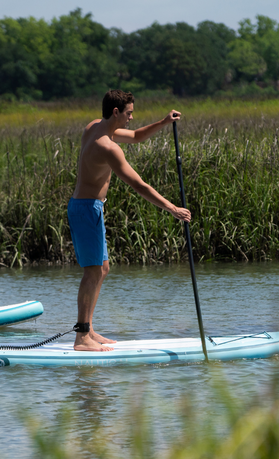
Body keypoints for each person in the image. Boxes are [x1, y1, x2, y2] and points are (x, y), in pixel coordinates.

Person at [68, 90, 191, 351]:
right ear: (116, 112)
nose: (132, 118)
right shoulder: (107, 147)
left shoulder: (94, 128)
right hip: (87, 209)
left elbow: (136, 137)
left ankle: (88, 330)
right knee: (92, 271)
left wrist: (163, 122)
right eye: (129, 113)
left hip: (89, 208)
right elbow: (140, 185)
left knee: (102, 268)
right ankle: (81, 338)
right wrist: (172, 208)